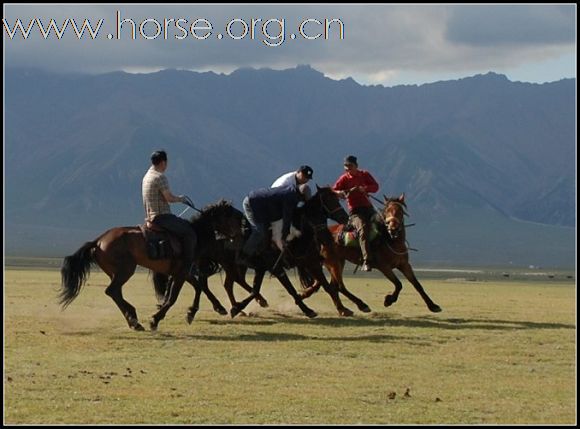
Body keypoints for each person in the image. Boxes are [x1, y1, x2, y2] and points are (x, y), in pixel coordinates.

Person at [142, 150, 198, 277]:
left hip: (150, 216)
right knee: (189, 232)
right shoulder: (160, 177)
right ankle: (189, 267)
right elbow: (169, 198)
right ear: (163, 162)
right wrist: (181, 199)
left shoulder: (146, 176)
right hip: (162, 217)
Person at [239, 183, 310, 263]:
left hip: (260, 207)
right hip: (251, 204)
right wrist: (284, 236)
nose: (301, 201)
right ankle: (243, 256)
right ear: (301, 196)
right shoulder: (290, 197)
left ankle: (259, 253)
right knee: (259, 232)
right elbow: (287, 218)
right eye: (303, 199)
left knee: (266, 231)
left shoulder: (291, 190)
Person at [333, 155, 380, 272]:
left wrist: (366, 188)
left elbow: (375, 186)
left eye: (350, 166)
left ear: (356, 166)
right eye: (346, 166)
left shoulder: (365, 174)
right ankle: (366, 261)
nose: (347, 168)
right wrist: (345, 192)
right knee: (363, 228)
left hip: (369, 208)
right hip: (355, 211)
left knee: (385, 223)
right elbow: (334, 191)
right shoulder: (344, 179)